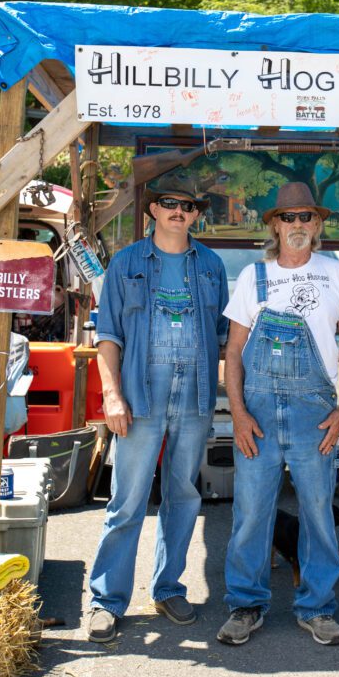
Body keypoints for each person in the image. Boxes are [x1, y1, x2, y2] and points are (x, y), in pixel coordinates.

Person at [217, 182, 339, 647]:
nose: (298, 225)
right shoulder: (253, 279)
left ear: (318, 224)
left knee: (318, 512)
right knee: (251, 512)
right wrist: (238, 414)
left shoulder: (336, 276)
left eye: (306, 217)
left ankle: (317, 607)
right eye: (289, 217)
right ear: (275, 224)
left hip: (313, 416)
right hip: (258, 416)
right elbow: (234, 352)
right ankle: (245, 604)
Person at [86, 180, 228, 644]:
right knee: (127, 503)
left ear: (195, 216)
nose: (179, 212)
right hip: (139, 402)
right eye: (170, 203)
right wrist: (112, 395)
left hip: (195, 401)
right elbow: (107, 335)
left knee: (183, 497)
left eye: (188, 206)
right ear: (152, 210)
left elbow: (228, 337)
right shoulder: (125, 264)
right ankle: (106, 600)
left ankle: (168, 588)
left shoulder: (211, 265)